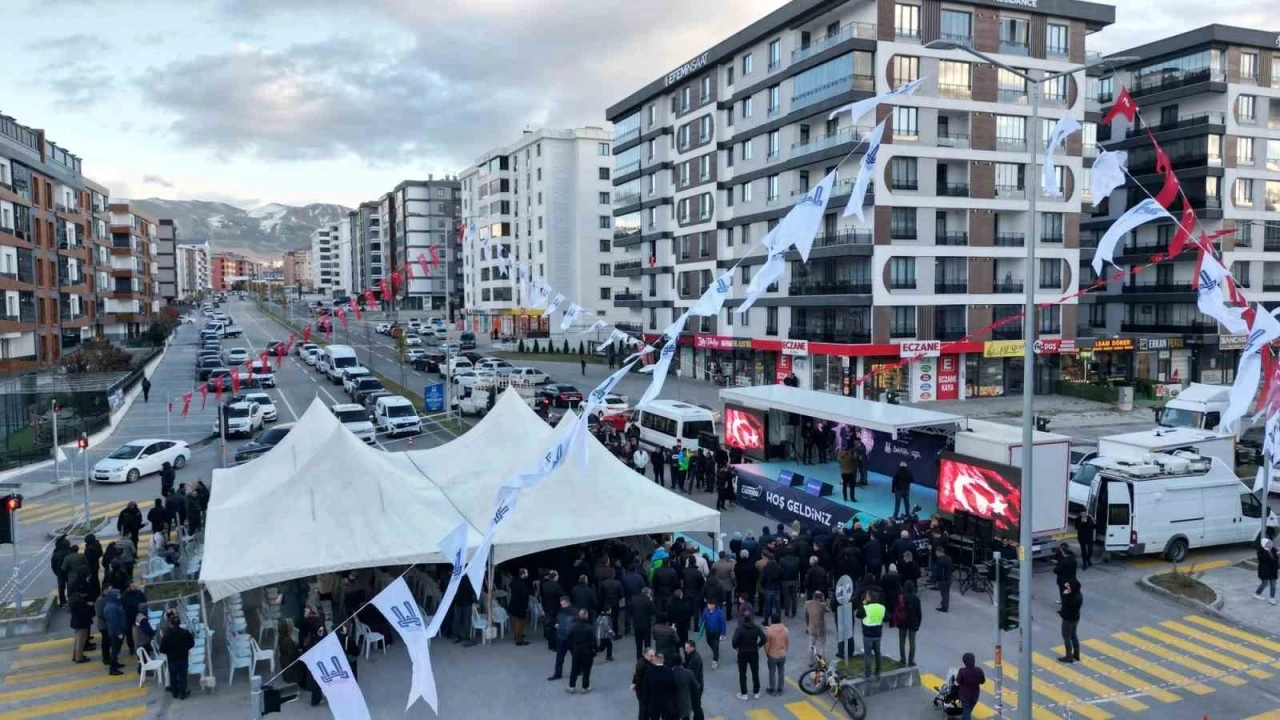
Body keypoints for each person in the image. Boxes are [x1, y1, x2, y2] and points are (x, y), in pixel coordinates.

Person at [730, 611, 765, 700]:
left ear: (743, 619)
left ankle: (744, 693)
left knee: (742, 673)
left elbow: (734, 641)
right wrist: (758, 645)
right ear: (751, 618)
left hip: (742, 653)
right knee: (755, 672)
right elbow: (764, 638)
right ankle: (756, 692)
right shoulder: (756, 628)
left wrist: (736, 647)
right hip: (753, 652)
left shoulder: (739, 629)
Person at [159, 612, 195, 698]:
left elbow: (162, 649)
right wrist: (185, 649)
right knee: (183, 676)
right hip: (183, 657)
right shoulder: (185, 632)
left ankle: (175, 693)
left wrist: (169, 652)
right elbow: (192, 643)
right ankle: (183, 693)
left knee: (173, 676)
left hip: (172, 659)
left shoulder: (167, 636)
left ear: (171, 624)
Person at [855, 590, 885, 678]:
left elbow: (858, 614)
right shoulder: (881, 607)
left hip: (868, 635)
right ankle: (878, 671)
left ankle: (867, 673)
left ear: (870, 598)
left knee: (868, 655)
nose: (865, 598)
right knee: (878, 654)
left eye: (867, 596)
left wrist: (863, 604)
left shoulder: (866, 608)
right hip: (878, 635)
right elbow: (887, 617)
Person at [567, 609, 597, 693]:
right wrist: (595, 649)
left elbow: (569, 638)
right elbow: (593, 641)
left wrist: (572, 647)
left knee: (574, 668)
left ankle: (571, 686)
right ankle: (585, 687)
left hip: (576, 648)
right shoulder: (590, 628)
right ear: (586, 617)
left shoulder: (573, 626)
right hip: (587, 650)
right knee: (586, 669)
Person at [642, 652, 677, 720]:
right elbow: (674, 687)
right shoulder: (669, 671)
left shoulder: (649, 672)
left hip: (654, 703)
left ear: (655, 659)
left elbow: (645, 689)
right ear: (663, 659)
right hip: (667, 703)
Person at [548, 597, 575, 681]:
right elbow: (556, 619)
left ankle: (578, 670)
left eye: (563, 604)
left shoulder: (574, 612)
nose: (561, 605)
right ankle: (557, 674)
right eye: (561, 604)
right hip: (561, 637)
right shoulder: (561, 610)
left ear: (568, 603)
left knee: (575, 656)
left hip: (570, 638)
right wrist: (556, 623)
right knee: (559, 657)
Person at [896, 581, 922, 666]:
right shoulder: (916, 598)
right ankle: (911, 660)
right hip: (913, 622)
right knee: (912, 642)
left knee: (902, 641)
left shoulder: (901, 597)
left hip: (902, 621)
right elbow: (919, 613)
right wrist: (918, 623)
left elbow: (897, 609)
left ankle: (903, 659)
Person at [763, 612, 789, 696]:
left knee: (772, 672)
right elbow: (787, 642)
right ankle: (780, 689)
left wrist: (767, 652)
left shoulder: (769, 631)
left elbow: (767, 644)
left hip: (772, 655)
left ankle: (772, 689)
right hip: (782, 654)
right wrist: (785, 651)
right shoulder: (785, 630)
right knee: (781, 671)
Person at [102, 588, 126, 675]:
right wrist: (118, 632)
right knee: (115, 650)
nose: (119, 596)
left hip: (117, 631)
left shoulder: (114, 604)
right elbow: (113, 622)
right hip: (115, 633)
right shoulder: (111, 607)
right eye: (118, 594)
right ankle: (112, 668)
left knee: (117, 649)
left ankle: (115, 663)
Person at [956, 652, 986, 720]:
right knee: (968, 711)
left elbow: (958, 681)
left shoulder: (962, 671)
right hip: (975, 696)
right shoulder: (979, 670)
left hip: (965, 696)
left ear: (964, 662)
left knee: (966, 713)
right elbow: (982, 681)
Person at [1058, 580, 1082, 663]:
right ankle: (1076, 654)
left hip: (1068, 619)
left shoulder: (1070, 597)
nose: (1067, 586)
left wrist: (1065, 594)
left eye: (1069, 586)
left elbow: (1065, 604)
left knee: (1066, 637)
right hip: (1075, 618)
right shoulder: (1079, 595)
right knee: (1073, 635)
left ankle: (1069, 656)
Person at [630, 588, 656, 660]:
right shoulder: (648, 600)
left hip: (636, 624)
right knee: (647, 643)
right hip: (646, 625)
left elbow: (630, 611)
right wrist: (651, 600)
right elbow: (653, 611)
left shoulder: (634, 599)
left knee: (638, 644)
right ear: (648, 593)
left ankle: (639, 659)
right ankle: (647, 658)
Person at [69, 588, 94, 664]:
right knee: (81, 641)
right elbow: (83, 612)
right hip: (81, 623)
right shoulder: (80, 601)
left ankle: (75, 656)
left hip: (76, 622)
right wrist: (88, 606)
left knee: (77, 640)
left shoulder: (73, 597)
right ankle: (79, 658)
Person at [700, 600, 725, 669]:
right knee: (709, 642)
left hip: (716, 632)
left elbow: (723, 623)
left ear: (714, 605)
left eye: (709, 604)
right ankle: (715, 651)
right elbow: (703, 618)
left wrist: (723, 633)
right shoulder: (705, 610)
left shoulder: (719, 613)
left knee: (716, 645)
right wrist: (701, 626)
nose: (707, 606)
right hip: (708, 631)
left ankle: (715, 660)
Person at [683, 640, 705, 720]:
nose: (685, 650)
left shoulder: (695, 659)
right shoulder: (692, 655)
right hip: (697, 685)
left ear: (692, 647)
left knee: (696, 706)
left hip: (696, 687)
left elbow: (691, 674)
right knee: (696, 706)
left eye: (687, 648)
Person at [508, 568, 531, 646]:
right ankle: (519, 639)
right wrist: (526, 606)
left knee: (516, 621)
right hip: (520, 606)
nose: (527, 574)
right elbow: (524, 596)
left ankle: (517, 635)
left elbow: (510, 586)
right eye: (526, 573)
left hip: (514, 604)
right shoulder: (522, 583)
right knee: (520, 622)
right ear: (523, 574)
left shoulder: (515, 580)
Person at [672, 653, 698, 720]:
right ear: (682, 661)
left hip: (673, 705)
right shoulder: (689, 673)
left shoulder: (669, 674)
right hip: (686, 704)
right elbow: (696, 687)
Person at [631, 649, 655, 720]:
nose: (653, 658)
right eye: (651, 656)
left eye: (654, 655)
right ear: (645, 655)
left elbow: (636, 675)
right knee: (644, 710)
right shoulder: (644, 666)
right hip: (644, 692)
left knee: (644, 709)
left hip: (642, 691)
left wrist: (633, 682)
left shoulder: (643, 662)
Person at [804, 591, 827, 658]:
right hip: (821, 629)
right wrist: (823, 601)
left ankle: (811, 662)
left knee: (811, 645)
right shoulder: (822, 605)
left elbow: (806, 616)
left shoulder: (807, 604)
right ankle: (821, 661)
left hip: (811, 627)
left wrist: (808, 625)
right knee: (821, 645)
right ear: (821, 597)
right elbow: (829, 610)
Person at [51, 536, 72, 608]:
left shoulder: (56, 551)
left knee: (61, 587)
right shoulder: (69, 550)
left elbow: (53, 564)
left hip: (60, 573)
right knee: (70, 586)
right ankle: (71, 601)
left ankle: (62, 602)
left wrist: (56, 572)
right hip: (69, 572)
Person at [1257, 539, 1279, 605]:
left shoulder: (1274, 550)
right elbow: (1263, 559)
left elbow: (1276, 561)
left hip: (1273, 571)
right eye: (1267, 544)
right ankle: (1257, 593)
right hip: (1265, 571)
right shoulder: (1261, 552)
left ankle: (1272, 598)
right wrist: (1268, 551)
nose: (1270, 545)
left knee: (1273, 585)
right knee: (1265, 583)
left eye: (1270, 543)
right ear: (1264, 545)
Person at [933, 546, 954, 613]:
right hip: (949, 578)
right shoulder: (949, 558)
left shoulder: (940, 561)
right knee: (947, 592)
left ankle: (945, 607)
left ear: (939, 552)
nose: (936, 554)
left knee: (944, 593)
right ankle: (944, 603)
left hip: (942, 580)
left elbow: (938, 571)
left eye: (936, 552)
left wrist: (936, 579)